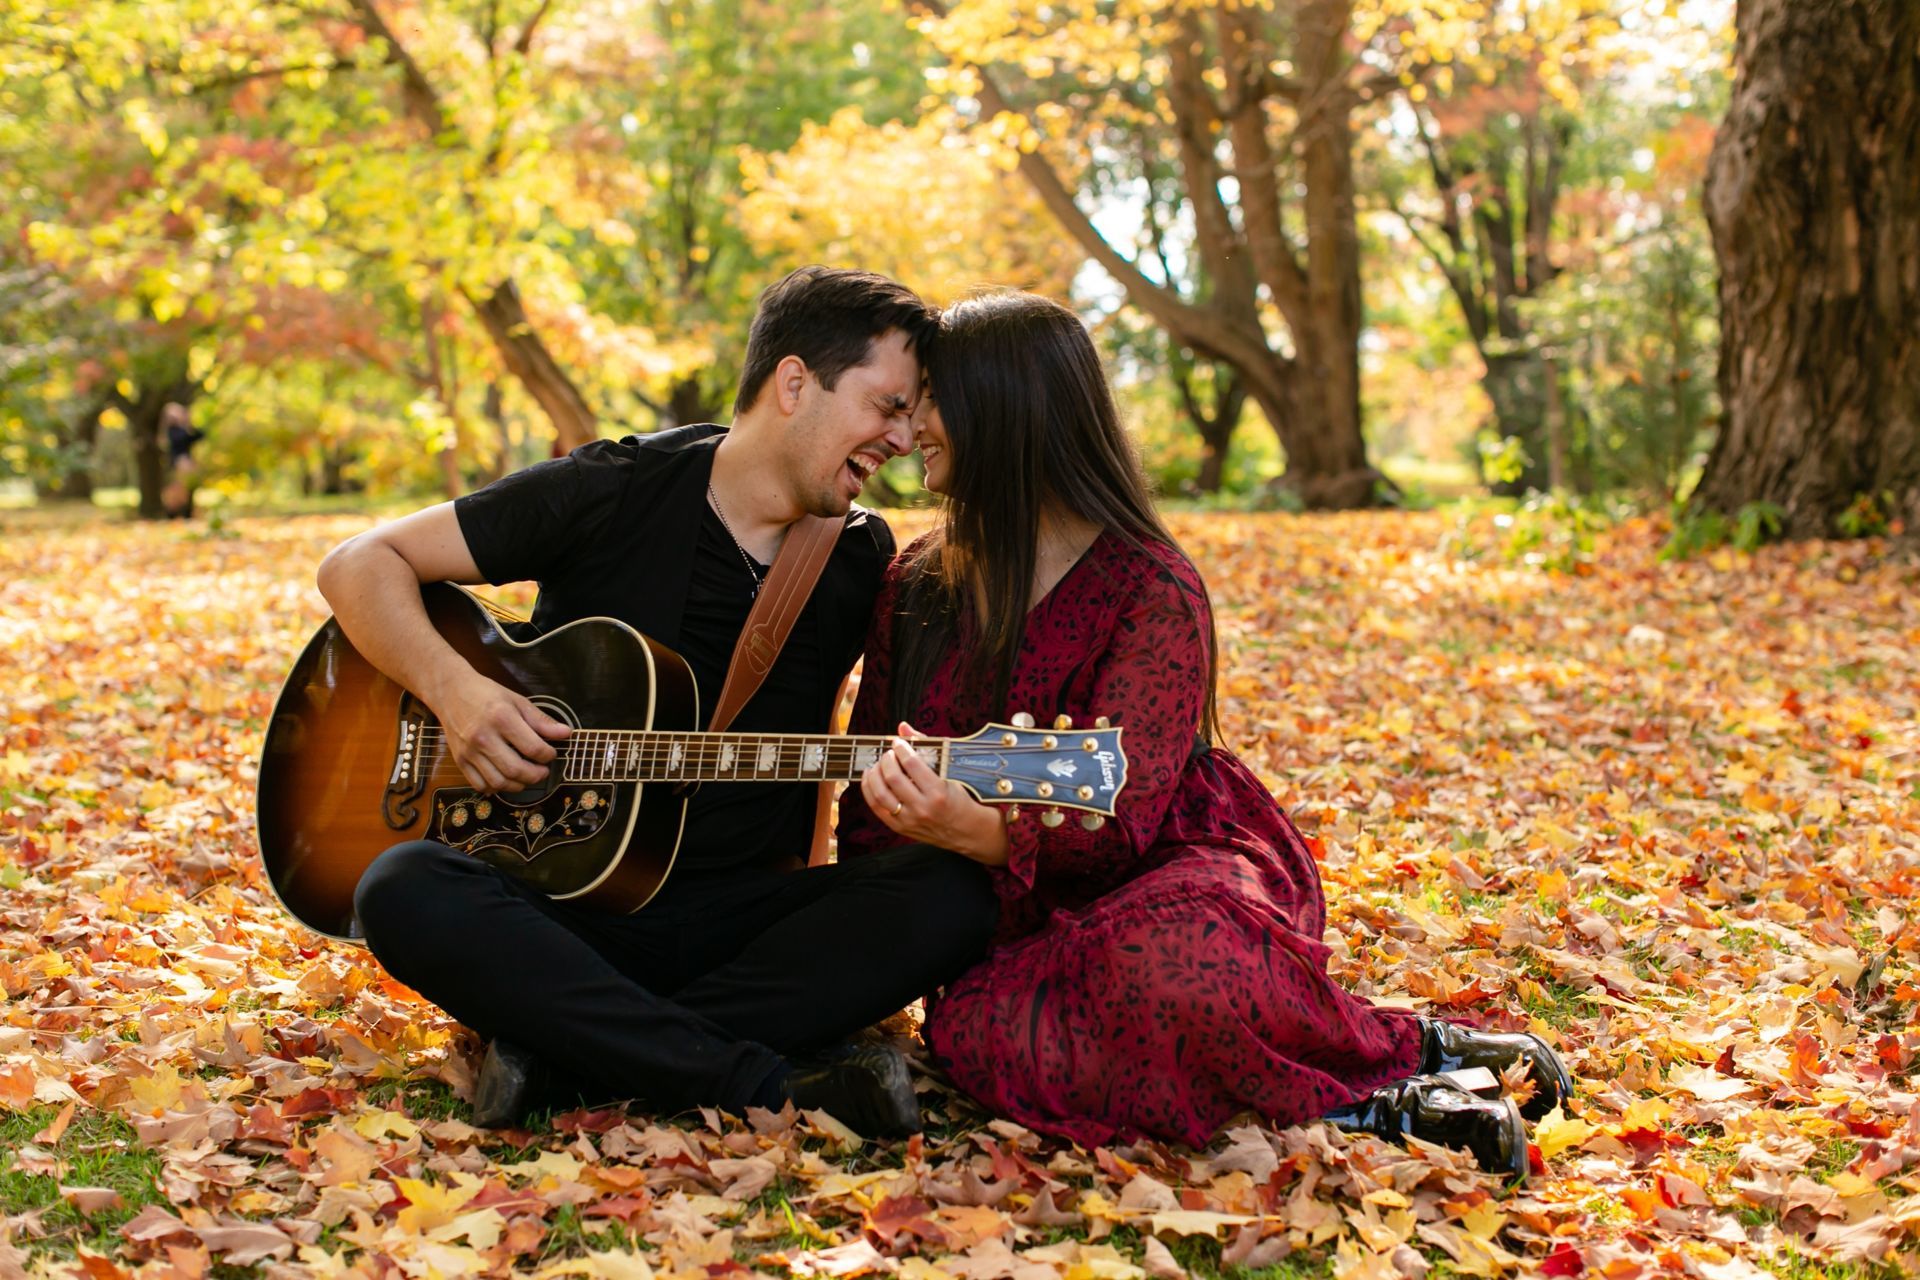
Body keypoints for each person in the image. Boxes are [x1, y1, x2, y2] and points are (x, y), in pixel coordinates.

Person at [837, 292, 1571, 1178]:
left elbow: (1124, 824)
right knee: (981, 1034)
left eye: (933, 398)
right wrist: (889, 912)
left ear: (1003, 404)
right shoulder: (916, 583)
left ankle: (1388, 1079)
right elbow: (870, 785)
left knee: (1168, 963)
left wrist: (985, 833)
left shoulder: (1151, 587)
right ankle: (1370, 1092)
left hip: (1166, 865)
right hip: (990, 913)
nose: (912, 425)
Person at [319, 267, 999, 1136]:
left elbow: (846, 742)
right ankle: (754, 1078)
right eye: (888, 405)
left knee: (954, 892)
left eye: (911, 416)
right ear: (795, 384)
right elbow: (358, 564)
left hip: (742, 926)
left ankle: (569, 1052)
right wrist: (458, 693)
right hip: (566, 914)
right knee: (402, 886)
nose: (903, 437)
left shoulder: (858, 554)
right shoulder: (614, 489)